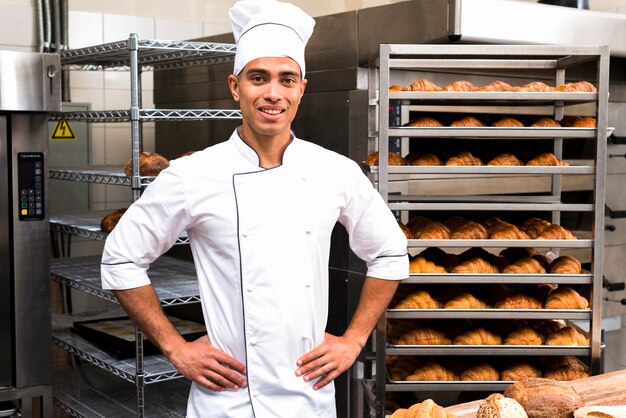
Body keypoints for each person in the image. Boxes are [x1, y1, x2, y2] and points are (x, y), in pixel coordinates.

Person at [100, 0, 408, 416]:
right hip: (225, 398)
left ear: (302, 87)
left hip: (307, 395)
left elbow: (389, 252)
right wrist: (176, 348)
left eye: (287, 79)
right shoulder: (191, 175)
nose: (273, 93)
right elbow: (121, 259)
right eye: (258, 78)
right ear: (235, 86)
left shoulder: (335, 171)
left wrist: (353, 340)